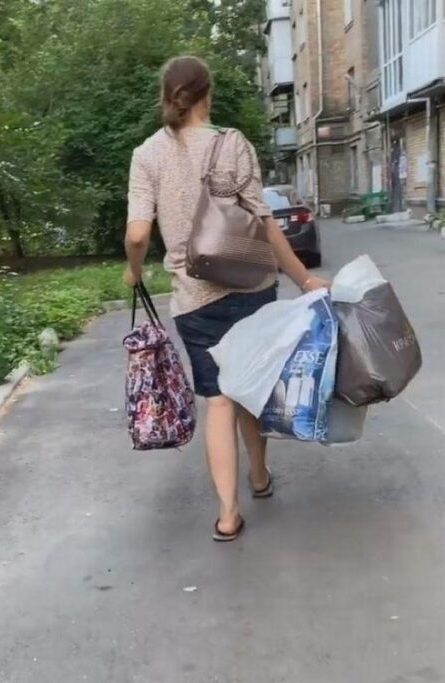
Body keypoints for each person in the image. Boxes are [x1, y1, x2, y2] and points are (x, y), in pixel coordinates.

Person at [123, 56, 327, 542]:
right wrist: (304, 280)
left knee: (218, 400)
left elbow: (136, 233)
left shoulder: (146, 155)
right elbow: (264, 222)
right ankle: (259, 477)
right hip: (251, 290)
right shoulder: (233, 144)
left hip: (194, 299)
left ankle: (228, 514)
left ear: (168, 96)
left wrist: (134, 270)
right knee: (250, 389)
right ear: (207, 95)